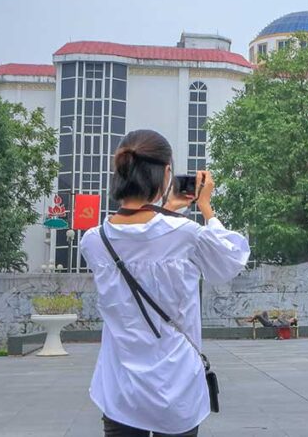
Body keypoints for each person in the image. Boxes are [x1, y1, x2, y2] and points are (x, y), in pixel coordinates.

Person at [79, 130, 250, 436]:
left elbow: (141, 244)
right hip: (176, 384)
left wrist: (166, 210)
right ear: (166, 173)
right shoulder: (185, 234)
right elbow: (231, 261)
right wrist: (206, 207)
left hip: (121, 389)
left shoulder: (93, 241)